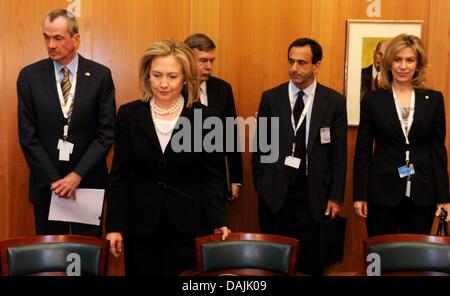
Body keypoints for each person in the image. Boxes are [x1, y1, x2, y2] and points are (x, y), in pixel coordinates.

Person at [106, 39, 230, 276]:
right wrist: (114, 226)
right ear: (147, 76)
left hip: (189, 226)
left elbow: (211, 176)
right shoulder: (129, 115)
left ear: (185, 78)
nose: (163, 84)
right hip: (141, 226)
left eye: (172, 76)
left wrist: (219, 219)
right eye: (157, 75)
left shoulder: (205, 118)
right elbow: (119, 176)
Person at [252, 38, 347, 275]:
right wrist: (262, 185)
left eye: (301, 63)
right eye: (291, 61)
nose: (294, 68)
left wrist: (335, 196)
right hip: (277, 193)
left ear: (316, 66)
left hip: (314, 194)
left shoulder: (333, 101)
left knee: (313, 262)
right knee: (276, 263)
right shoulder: (271, 98)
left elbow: (338, 154)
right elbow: (262, 149)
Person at [17, 9, 116, 236]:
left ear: (76, 39)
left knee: (87, 256)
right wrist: (55, 180)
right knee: (51, 258)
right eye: (46, 37)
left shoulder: (100, 75)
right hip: (47, 185)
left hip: (88, 182)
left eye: (58, 38)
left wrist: (76, 175)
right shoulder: (29, 76)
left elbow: (106, 132)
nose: (51, 44)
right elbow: (27, 134)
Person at [354, 34, 450, 237]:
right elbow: (363, 152)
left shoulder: (433, 99)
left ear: (418, 64)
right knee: (381, 253)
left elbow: (438, 152)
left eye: (410, 60)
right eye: (397, 60)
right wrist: (360, 195)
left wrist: (444, 198)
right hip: (381, 192)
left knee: (414, 257)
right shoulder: (373, 99)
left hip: (422, 192)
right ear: (388, 63)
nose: (403, 66)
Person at [184, 33, 243, 201]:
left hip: (215, 178)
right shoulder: (172, 90)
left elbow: (231, 134)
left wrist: (235, 178)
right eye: (203, 60)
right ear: (187, 59)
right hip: (182, 179)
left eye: (211, 61)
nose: (209, 66)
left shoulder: (223, 89)